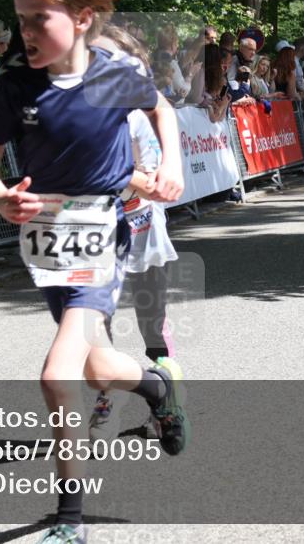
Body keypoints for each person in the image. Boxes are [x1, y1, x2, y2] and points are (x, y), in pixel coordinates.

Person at [0, 0, 188, 544]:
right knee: (96, 367)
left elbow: (162, 110)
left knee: (56, 374)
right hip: (46, 244)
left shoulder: (117, 76)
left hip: (102, 236)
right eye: (20, 19)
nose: (27, 32)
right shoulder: (16, 86)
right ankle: (156, 389)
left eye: (39, 19)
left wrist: (170, 165)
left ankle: (69, 520)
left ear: (83, 17)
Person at [87, 23, 180, 443]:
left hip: (140, 229)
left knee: (151, 325)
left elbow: (154, 180)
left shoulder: (135, 116)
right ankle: (109, 393)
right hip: (93, 233)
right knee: (94, 327)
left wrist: (119, 175)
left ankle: (165, 400)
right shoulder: (72, 108)